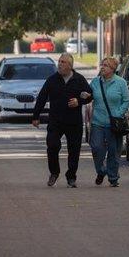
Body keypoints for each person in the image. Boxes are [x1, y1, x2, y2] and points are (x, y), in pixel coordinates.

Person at [32, 53, 93, 188]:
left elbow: (89, 96)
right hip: (56, 121)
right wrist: (36, 116)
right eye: (59, 61)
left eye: (63, 62)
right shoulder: (52, 80)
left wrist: (79, 101)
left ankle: (71, 177)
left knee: (74, 150)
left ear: (70, 66)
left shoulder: (79, 79)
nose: (60, 64)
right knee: (52, 146)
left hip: (73, 122)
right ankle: (54, 172)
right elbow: (42, 97)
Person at [88, 57, 129, 187]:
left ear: (113, 69)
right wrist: (84, 96)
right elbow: (89, 96)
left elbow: (126, 101)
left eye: (106, 65)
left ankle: (113, 177)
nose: (102, 67)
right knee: (96, 148)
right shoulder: (95, 82)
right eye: (102, 64)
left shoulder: (120, 83)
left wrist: (117, 113)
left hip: (114, 123)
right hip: (97, 122)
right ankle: (101, 171)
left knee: (114, 151)